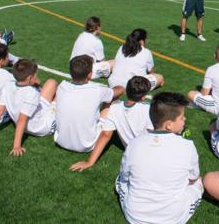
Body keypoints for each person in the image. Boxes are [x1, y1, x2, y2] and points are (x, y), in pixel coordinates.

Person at [114, 92, 203, 224]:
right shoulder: (188, 146)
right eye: (182, 117)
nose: (184, 120)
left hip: (135, 214)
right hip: (173, 217)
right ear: (169, 124)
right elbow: (193, 178)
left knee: (120, 180)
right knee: (198, 183)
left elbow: (125, 177)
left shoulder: (134, 143)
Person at [0, 59, 58, 156]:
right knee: (60, 93)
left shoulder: (8, 85)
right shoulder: (31, 93)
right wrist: (16, 146)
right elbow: (22, 119)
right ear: (30, 78)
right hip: (41, 126)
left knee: (51, 82)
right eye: (35, 75)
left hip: (31, 116)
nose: (37, 77)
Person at [70, 76, 154, 172]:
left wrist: (89, 162)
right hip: (151, 151)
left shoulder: (114, 109)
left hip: (133, 151)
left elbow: (105, 135)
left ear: (126, 91)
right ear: (143, 96)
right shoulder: (150, 109)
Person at [54, 55, 124, 153]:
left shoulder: (62, 86)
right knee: (111, 99)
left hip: (60, 140)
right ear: (90, 74)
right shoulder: (98, 89)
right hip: (87, 145)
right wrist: (121, 85)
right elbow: (119, 91)